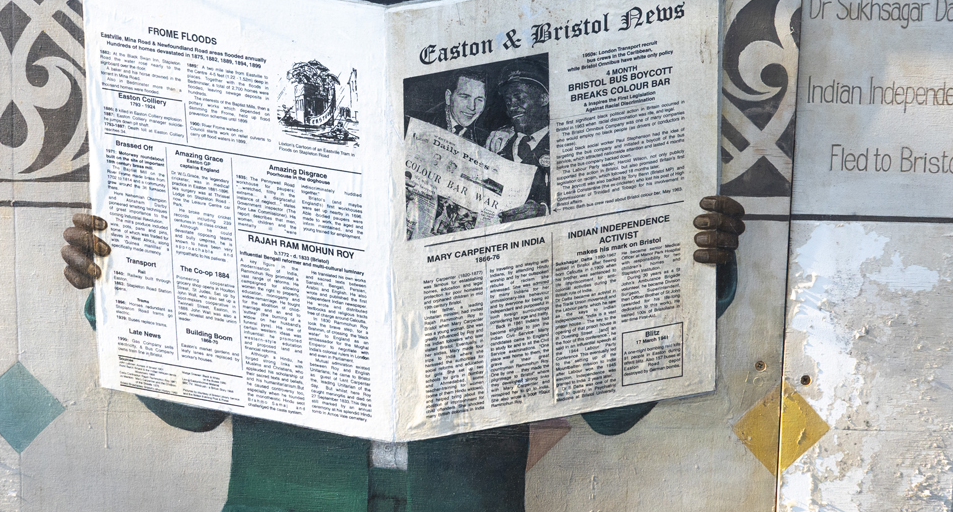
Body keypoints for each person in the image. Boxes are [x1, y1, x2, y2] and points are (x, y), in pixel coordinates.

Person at [60, 197, 746, 512]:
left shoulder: (534, 222)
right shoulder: (256, 222)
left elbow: (613, 414)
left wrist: (695, 276)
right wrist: (115, 287)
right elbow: (188, 413)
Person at [486, 61, 551, 223]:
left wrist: (544, 211)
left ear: (543, 99)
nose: (512, 107)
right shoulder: (497, 143)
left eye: (519, 98)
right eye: (508, 102)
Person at [406, 69, 491, 147]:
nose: (472, 107)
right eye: (465, 97)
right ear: (448, 97)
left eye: (479, 100)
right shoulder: (415, 121)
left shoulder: (487, 140)